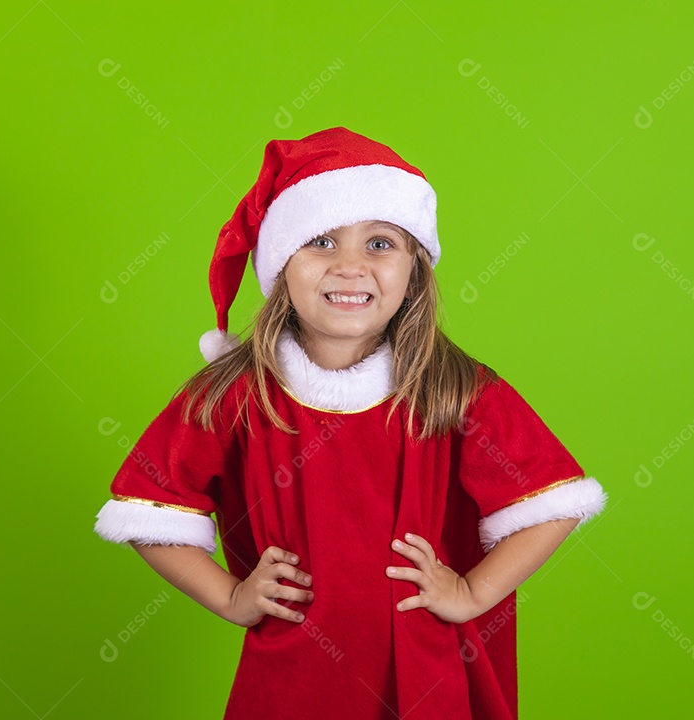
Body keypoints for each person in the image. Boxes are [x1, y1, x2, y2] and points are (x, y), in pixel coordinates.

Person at [93, 126, 607, 719]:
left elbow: (551, 504)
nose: (351, 267)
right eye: (321, 241)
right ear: (281, 263)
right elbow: (149, 507)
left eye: (380, 243)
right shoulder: (234, 395)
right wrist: (231, 596)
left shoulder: (457, 390)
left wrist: (472, 593)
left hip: (426, 671)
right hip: (292, 678)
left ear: (415, 268)